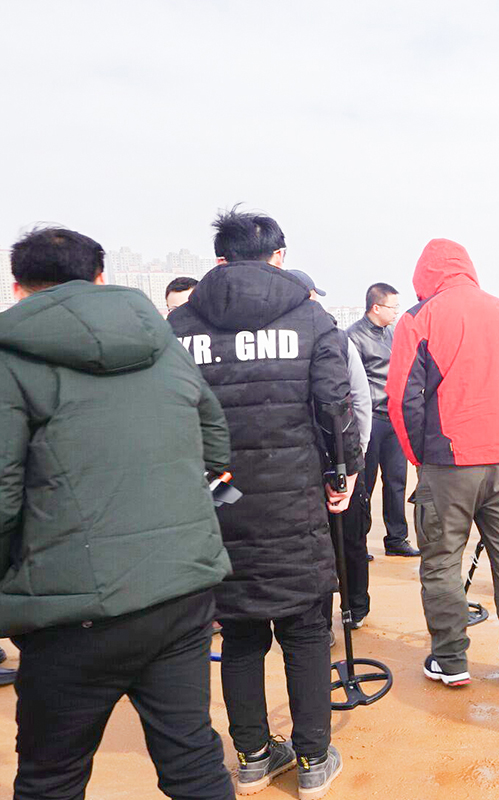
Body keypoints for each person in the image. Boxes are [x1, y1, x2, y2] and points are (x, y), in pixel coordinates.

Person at [0, 227, 234, 800]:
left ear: (19, 287)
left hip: (70, 609)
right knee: (193, 762)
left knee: (52, 776)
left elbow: (3, 496)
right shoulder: (161, 342)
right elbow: (216, 446)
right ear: (100, 277)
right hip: (180, 590)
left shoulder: (11, 360)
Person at [169, 209, 362, 800]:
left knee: (241, 632)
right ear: (279, 256)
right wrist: (343, 473)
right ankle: (312, 760)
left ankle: (253, 757)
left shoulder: (179, 325)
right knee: (305, 628)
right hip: (295, 497)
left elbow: (169, 416)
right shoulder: (310, 317)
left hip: (216, 498)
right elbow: (335, 405)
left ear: (220, 259)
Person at [386, 239, 499, 691]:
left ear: (424, 276)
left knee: (442, 562)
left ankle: (450, 660)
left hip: (448, 462)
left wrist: (421, 456)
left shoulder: (419, 318)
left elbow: (401, 399)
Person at [287, 269, 373, 639]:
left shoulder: (336, 337)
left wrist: (358, 454)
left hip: (334, 454)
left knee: (346, 539)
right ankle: (327, 617)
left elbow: (360, 397)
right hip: (319, 458)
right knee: (325, 544)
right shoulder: (313, 336)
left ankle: (353, 607)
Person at [348, 283, 419, 556]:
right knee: (365, 483)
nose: (396, 312)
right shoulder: (353, 337)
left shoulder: (392, 334)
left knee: (397, 480)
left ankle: (397, 539)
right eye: (393, 307)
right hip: (370, 419)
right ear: (376, 307)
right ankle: (358, 541)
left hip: (393, 417)